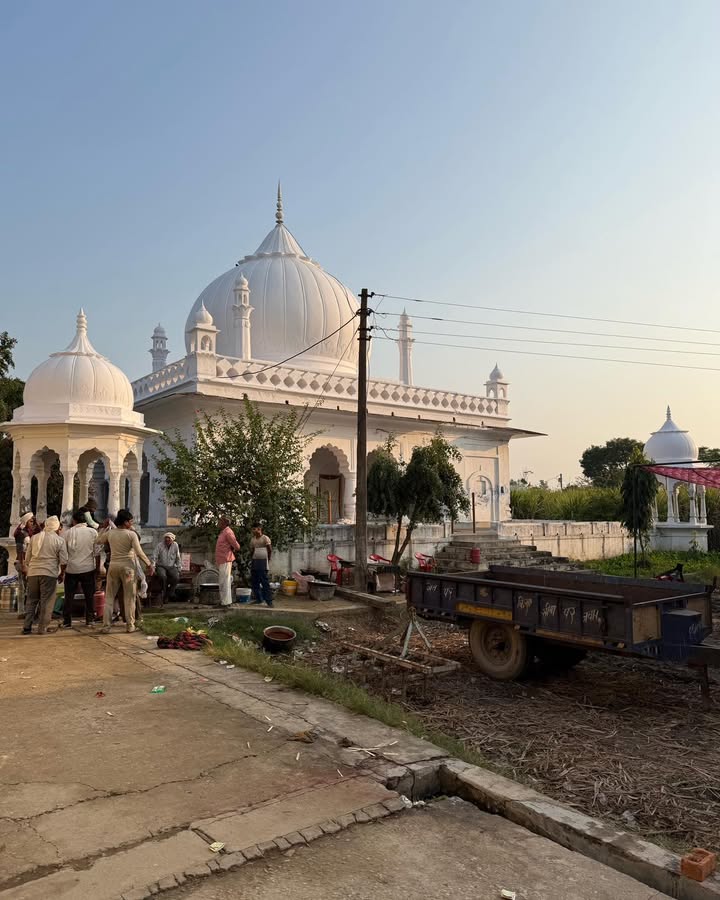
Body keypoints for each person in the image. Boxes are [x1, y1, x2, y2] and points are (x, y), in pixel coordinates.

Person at [95, 508, 153, 634]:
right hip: (128, 568)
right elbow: (139, 552)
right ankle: (130, 625)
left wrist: (103, 528)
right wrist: (149, 564)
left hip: (113, 566)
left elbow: (98, 540)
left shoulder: (111, 533)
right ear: (125, 522)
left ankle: (106, 626)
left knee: (109, 598)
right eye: (130, 521)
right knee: (129, 597)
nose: (131, 523)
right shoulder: (131, 534)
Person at [22, 516, 67, 635]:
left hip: (33, 573)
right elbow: (64, 561)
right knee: (46, 602)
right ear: (56, 527)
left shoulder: (34, 538)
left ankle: (27, 627)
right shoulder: (59, 540)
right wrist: (62, 574)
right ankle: (42, 628)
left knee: (31, 600)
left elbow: (27, 558)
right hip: (49, 573)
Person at [62, 509, 100, 628]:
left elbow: (64, 554)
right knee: (89, 595)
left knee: (69, 596)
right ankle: (90, 619)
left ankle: (67, 621)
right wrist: (97, 568)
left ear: (74, 521)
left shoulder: (67, 533)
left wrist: (62, 570)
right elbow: (97, 553)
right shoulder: (92, 532)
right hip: (88, 568)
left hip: (71, 568)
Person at [215, 516, 239, 607]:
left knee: (225, 582)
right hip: (222, 559)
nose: (218, 523)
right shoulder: (223, 532)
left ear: (224, 523)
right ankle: (224, 601)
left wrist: (232, 548)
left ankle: (226, 602)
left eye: (220, 521)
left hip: (226, 559)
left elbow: (237, 546)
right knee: (222, 581)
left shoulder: (228, 532)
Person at [152, 532, 182, 602]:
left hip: (171, 566)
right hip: (161, 566)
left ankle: (169, 593)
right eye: (166, 539)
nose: (167, 540)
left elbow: (178, 558)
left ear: (172, 540)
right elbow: (154, 556)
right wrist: (153, 566)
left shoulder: (175, 545)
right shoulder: (160, 545)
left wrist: (179, 568)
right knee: (162, 577)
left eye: (169, 539)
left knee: (176, 577)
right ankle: (164, 593)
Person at [249, 523, 273, 607]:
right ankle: (259, 599)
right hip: (255, 561)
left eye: (254, 529)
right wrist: (252, 559)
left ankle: (269, 601)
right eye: (252, 529)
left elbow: (269, 550)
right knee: (254, 581)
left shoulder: (265, 538)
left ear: (259, 529)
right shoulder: (253, 540)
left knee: (264, 581)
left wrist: (268, 559)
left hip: (263, 562)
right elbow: (252, 551)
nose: (253, 531)